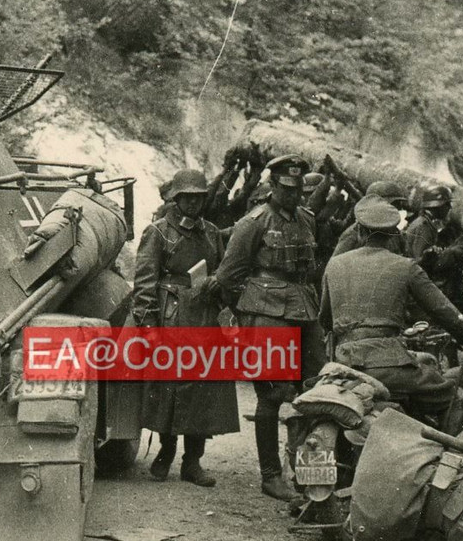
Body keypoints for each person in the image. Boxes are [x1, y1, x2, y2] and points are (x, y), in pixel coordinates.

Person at [321, 197, 463, 426]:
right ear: (394, 234)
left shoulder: (334, 264)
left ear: (359, 231)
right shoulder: (406, 266)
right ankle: (448, 448)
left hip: (344, 364)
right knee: (450, 393)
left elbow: (325, 319)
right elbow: (444, 312)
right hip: (390, 366)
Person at [216, 154, 325, 501]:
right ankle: (271, 476)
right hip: (267, 311)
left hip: (304, 308)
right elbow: (228, 276)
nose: (293, 195)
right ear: (273, 185)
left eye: (298, 190)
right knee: (273, 394)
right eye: (287, 189)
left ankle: (314, 478)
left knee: (318, 390)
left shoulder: (306, 218)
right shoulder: (254, 222)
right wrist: (250, 312)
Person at [132, 169, 239, 486]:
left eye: (198, 197)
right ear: (175, 199)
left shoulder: (211, 233)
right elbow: (144, 283)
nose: (193, 203)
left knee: (203, 391)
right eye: (187, 197)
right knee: (168, 389)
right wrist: (149, 326)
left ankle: (192, 462)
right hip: (172, 318)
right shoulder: (158, 232)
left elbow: (223, 271)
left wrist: (217, 284)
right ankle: (166, 451)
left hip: (205, 317)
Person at [405, 184, 463, 308]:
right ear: (437, 206)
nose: (450, 207)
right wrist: (450, 253)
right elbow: (420, 262)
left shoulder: (426, 223)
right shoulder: (423, 226)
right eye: (447, 204)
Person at [332, 181, 409, 256]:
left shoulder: (395, 233)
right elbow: (336, 262)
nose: (398, 208)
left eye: (398, 204)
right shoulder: (354, 234)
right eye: (394, 204)